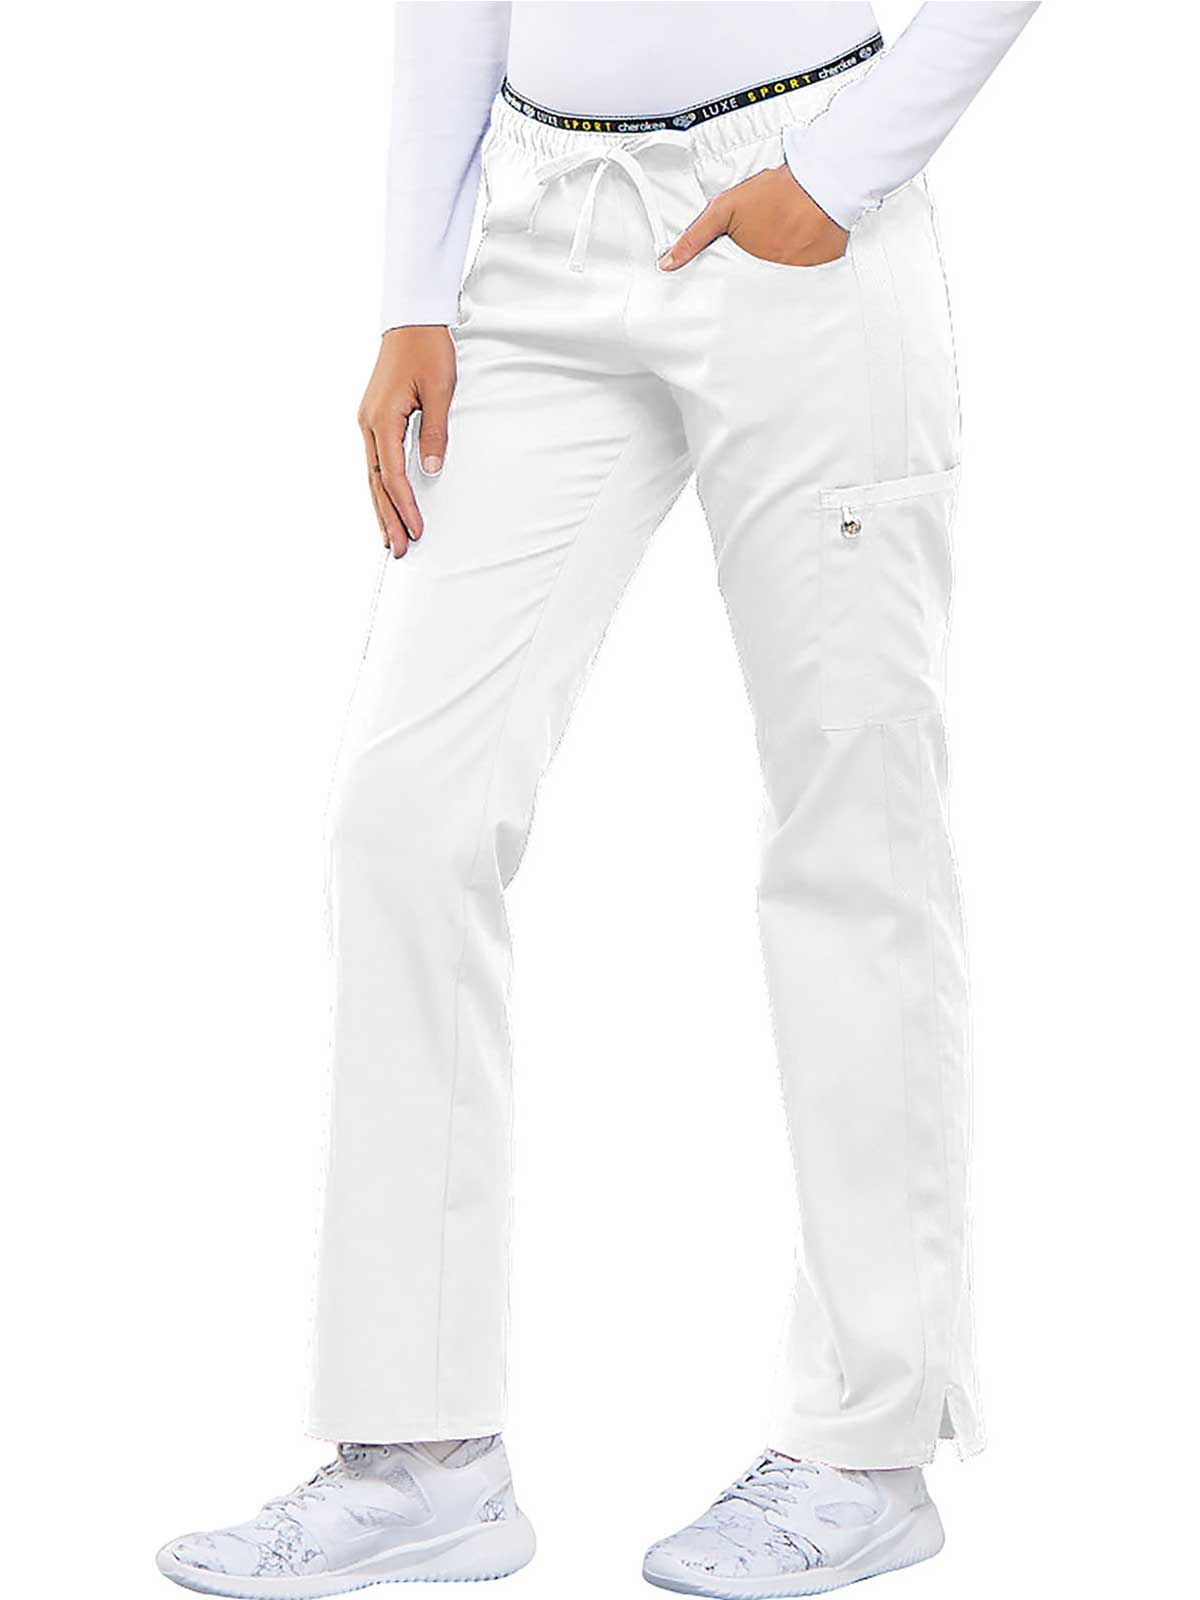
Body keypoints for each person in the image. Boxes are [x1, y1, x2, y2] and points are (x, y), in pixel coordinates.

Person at [157, 3, 1038, 1596]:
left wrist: (842, 172)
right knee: (406, 815)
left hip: (800, 208)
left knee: (852, 827)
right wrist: (414, 289)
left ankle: (868, 1444)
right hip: (543, 236)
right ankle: (421, 1454)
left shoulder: (823, 188)